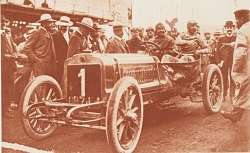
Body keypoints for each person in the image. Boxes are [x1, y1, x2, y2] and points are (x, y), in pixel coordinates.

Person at [221, 8, 250, 122]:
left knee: (243, 89)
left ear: (242, 18)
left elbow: (241, 51)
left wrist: (237, 68)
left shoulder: (243, 30)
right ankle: (236, 114)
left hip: (247, 65)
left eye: (237, 19)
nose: (236, 22)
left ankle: (236, 114)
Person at [215, 21, 236, 101]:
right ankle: (223, 95)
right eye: (227, 28)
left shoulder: (236, 38)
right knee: (223, 78)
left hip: (233, 62)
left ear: (233, 29)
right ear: (225, 29)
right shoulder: (221, 38)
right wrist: (219, 61)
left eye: (231, 28)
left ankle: (232, 96)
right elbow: (216, 52)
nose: (229, 29)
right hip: (223, 62)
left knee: (233, 78)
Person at [1, 16, 18, 117]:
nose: (3, 24)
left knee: (9, 87)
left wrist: (15, 53)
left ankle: (6, 108)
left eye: (4, 22)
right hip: (3, 65)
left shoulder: (6, 34)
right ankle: (3, 110)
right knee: (3, 88)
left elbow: (13, 46)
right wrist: (11, 56)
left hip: (9, 66)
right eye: (2, 22)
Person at [52, 16, 73, 84]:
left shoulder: (72, 36)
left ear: (68, 27)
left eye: (65, 26)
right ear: (59, 26)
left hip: (70, 64)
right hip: (58, 66)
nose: (63, 28)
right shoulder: (54, 36)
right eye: (62, 26)